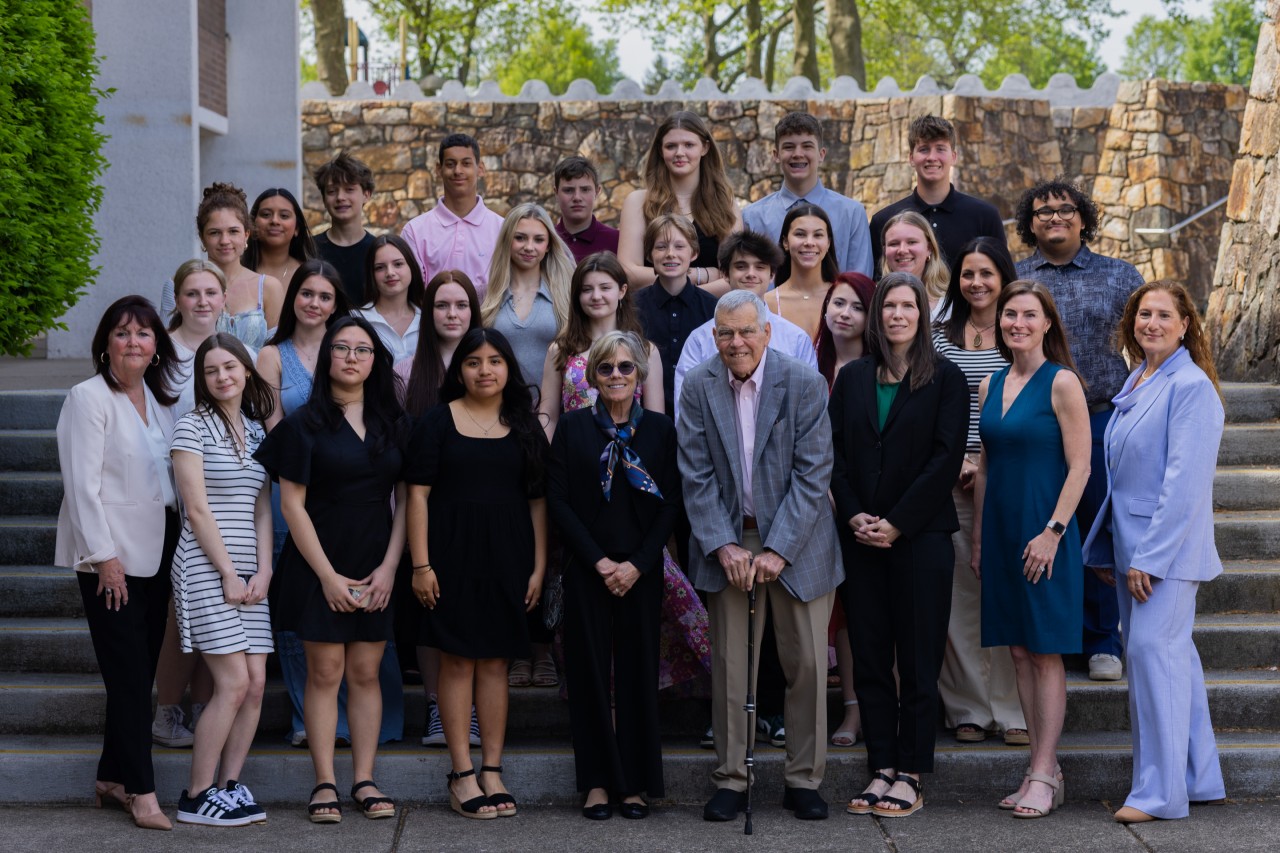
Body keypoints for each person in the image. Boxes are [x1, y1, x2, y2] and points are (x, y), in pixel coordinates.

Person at [678, 289, 841, 824]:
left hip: (800, 541)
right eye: (725, 333)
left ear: (767, 332)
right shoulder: (699, 387)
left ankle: (803, 779)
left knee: (808, 667)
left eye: (747, 331)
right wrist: (724, 544)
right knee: (730, 666)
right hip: (728, 539)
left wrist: (778, 549)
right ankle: (731, 778)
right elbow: (695, 474)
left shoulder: (803, 382)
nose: (736, 342)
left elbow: (813, 474)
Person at [254, 315, 409, 823]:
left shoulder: (394, 423)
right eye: (341, 348)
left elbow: (406, 500)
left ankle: (364, 779)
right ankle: (324, 782)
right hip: (318, 561)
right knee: (325, 672)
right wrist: (326, 576)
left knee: (367, 673)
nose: (350, 357)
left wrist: (390, 567)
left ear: (374, 361)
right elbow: (292, 506)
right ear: (327, 359)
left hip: (376, 560)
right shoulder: (304, 424)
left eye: (362, 350)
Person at [1082, 282, 1227, 823]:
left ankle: (1158, 795)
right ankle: (1197, 777)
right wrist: (1106, 548)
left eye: (1164, 315)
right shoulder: (1141, 378)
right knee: (1174, 659)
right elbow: (1123, 479)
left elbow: (1183, 484)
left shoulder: (1190, 387)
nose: (1152, 323)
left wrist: (1150, 557)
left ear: (1186, 324)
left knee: (1152, 660)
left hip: (1161, 554)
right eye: (1144, 314)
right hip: (1131, 548)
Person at [830, 273, 968, 819]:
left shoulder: (947, 379)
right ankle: (881, 766)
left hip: (920, 538)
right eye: (888, 305)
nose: (897, 315)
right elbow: (834, 456)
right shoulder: (853, 378)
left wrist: (898, 522)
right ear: (876, 315)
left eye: (908, 305)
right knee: (868, 657)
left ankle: (911, 771)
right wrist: (855, 514)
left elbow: (945, 459)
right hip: (861, 537)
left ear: (922, 313)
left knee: (916, 657)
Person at [405, 328, 548, 820]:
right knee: (458, 662)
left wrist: (539, 566)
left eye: (494, 360)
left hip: (509, 559)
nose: (484, 370)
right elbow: (417, 496)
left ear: (509, 368)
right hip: (449, 560)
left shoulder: (526, 426)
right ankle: (461, 772)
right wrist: (420, 565)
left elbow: (537, 503)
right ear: (458, 370)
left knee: (495, 664)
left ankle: (492, 768)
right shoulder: (436, 423)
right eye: (473, 362)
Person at [55, 295, 181, 831]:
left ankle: (110, 775)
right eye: (123, 333)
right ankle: (141, 791)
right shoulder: (88, 398)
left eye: (144, 334)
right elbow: (81, 486)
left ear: (157, 347)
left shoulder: (163, 402)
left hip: (161, 550)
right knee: (130, 678)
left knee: (137, 671)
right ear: (105, 343)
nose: (134, 342)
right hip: (112, 558)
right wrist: (104, 559)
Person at [1014, 178, 1144, 682]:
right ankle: (1055, 636)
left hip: (1100, 416)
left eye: (1065, 209)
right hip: (1035, 418)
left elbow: (1143, 344)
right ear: (1030, 223)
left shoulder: (1118, 276)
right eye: (1043, 212)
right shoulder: (1020, 276)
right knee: (1045, 525)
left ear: (1083, 218)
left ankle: (1101, 640)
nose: (1054, 218)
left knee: (1092, 529)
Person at [547, 330, 680, 820]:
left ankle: (636, 783)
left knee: (638, 674)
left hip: (641, 569)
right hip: (589, 567)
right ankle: (597, 782)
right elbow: (558, 500)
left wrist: (638, 564)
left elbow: (671, 501)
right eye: (607, 368)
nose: (617, 376)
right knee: (588, 676)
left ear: (640, 376)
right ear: (592, 376)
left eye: (627, 368)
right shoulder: (574, 428)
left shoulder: (662, 431)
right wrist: (600, 562)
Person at [973, 280, 1091, 819]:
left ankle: (1043, 769)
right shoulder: (990, 384)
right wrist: (978, 538)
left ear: (1047, 324)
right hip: (1000, 534)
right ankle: (1042, 768)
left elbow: (1081, 466)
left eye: (1028, 315)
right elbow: (987, 467)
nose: (1017, 323)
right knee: (1018, 651)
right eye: (1009, 315)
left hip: (1046, 533)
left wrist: (1053, 532)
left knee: (1044, 651)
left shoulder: (1061, 382)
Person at [170, 334, 274, 826]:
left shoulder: (256, 432)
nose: (222, 377)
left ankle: (228, 787)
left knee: (255, 684)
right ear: (203, 380)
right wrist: (229, 572)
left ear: (247, 371)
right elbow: (196, 507)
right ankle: (195, 795)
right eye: (211, 371)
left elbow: (261, 511)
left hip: (252, 572)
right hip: (206, 567)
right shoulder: (192, 427)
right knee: (231, 683)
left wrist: (265, 568)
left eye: (230, 367)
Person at [931, 238, 1027, 747]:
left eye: (986, 273)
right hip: (952, 479)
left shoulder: (1018, 330)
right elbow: (929, 406)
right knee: (960, 596)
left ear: (1003, 276)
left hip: (1008, 475)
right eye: (968, 274)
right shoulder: (940, 335)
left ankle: (1013, 707)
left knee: (1006, 591)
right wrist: (957, 461)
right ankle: (967, 705)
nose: (977, 283)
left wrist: (986, 460)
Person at [398, 268, 482, 748]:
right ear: (428, 314)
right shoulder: (406, 370)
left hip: (476, 511)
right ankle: (436, 706)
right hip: (424, 509)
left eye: (461, 305)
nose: (452, 314)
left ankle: (469, 708)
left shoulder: (490, 361)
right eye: (442, 306)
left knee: (470, 610)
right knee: (430, 614)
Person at [151, 260, 225, 748]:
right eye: (192, 293)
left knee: (217, 612)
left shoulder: (232, 348)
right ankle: (165, 711)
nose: (201, 302)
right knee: (184, 614)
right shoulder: (163, 355)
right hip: (180, 503)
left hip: (228, 501)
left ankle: (204, 708)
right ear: (177, 299)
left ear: (223, 298)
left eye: (210, 293)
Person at [813, 271, 875, 748]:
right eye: (837, 303)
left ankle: (877, 706)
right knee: (832, 616)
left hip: (867, 509)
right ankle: (848, 710)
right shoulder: (808, 367)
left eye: (855, 306)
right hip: (814, 508)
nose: (844, 313)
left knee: (866, 612)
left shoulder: (880, 369)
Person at [673, 231, 818, 423]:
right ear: (725, 273)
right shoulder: (700, 339)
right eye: (741, 266)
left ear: (772, 274)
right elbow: (685, 413)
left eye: (760, 267)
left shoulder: (795, 339)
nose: (751, 274)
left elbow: (809, 407)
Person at [617, 110, 742, 290]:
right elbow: (628, 271)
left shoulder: (725, 203)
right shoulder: (638, 201)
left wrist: (688, 296)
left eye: (689, 145)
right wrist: (703, 274)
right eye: (671, 146)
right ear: (661, 150)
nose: (679, 153)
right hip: (653, 313)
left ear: (705, 148)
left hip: (710, 313)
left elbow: (734, 275)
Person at [743, 111, 873, 278]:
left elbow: (860, 282)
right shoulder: (752, 218)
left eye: (807, 146)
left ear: (821, 154)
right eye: (789, 147)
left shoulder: (852, 213)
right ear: (776, 155)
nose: (798, 153)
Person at [869, 114, 1006, 270]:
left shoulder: (985, 217)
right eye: (924, 149)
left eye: (940, 149)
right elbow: (876, 284)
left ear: (953, 157)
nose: (932, 157)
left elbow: (1002, 279)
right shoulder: (884, 221)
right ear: (911, 158)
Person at [480, 202, 575, 410]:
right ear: (507, 240)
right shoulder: (485, 296)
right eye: (520, 237)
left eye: (538, 239)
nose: (529, 247)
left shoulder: (567, 294)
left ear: (549, 245)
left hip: (556, 413)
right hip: (498, 411)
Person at [633, 214, 719, 419]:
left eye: (680, 246)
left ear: (694, 253)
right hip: (643, 418)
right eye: (661, 247)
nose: (670, 254)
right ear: (649, 254)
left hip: (700, 417)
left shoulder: (712, 308)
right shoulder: (632, 307)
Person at [401, 133, 504, 297]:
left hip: (489, 323)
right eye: (450, 164)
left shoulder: (502, 229)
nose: (458, 171)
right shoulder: (415, 231)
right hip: (431, 323)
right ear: (438, 170)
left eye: (466, 164)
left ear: (481, 169)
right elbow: (413, 295)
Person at [197, 182, 284, 349]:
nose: (224, 241)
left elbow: (277, 354)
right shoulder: (179, 285)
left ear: (246, 235)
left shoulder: (269, 288)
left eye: (233, 231)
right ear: (202, 238)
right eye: (214, 232)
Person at [770, 202, 841, 344]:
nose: (809, 242)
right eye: (800, 234)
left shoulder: (843, 299)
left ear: (828, 243)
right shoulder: (767, 303)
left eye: (818, 235)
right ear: (785, 242)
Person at [313, 152, 378, 305]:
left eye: (349, 189)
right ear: (324, 199)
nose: (340, 197)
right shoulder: (309, 249)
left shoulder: (378, 251)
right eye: (331, 191)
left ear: (366, 195)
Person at [353, 234, 425, 365]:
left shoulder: (428, 319)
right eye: (380, 267)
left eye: (398, 264)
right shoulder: (357, 318)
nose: (390, 273)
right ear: (371, 274)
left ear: (412, 267)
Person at [243, 188, 317, 291]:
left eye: (284, 216)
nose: (274, 221)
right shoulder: (236, 269)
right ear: (252, 223)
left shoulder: (310, 275)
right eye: (266, 214)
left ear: (297, 228)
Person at [879, 211, 951, 312]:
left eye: (912, 242)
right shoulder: (872, 297)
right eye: (894, 244)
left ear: (929, 248)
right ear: (884, 250)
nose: (902, 250)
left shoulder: (952, 302)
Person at [553, 156, 620, 262]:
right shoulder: (546, 240)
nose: (577, 198)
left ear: (597, 191)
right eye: (568, 190)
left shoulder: (617, 241)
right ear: (556, 193)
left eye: (585, 190)